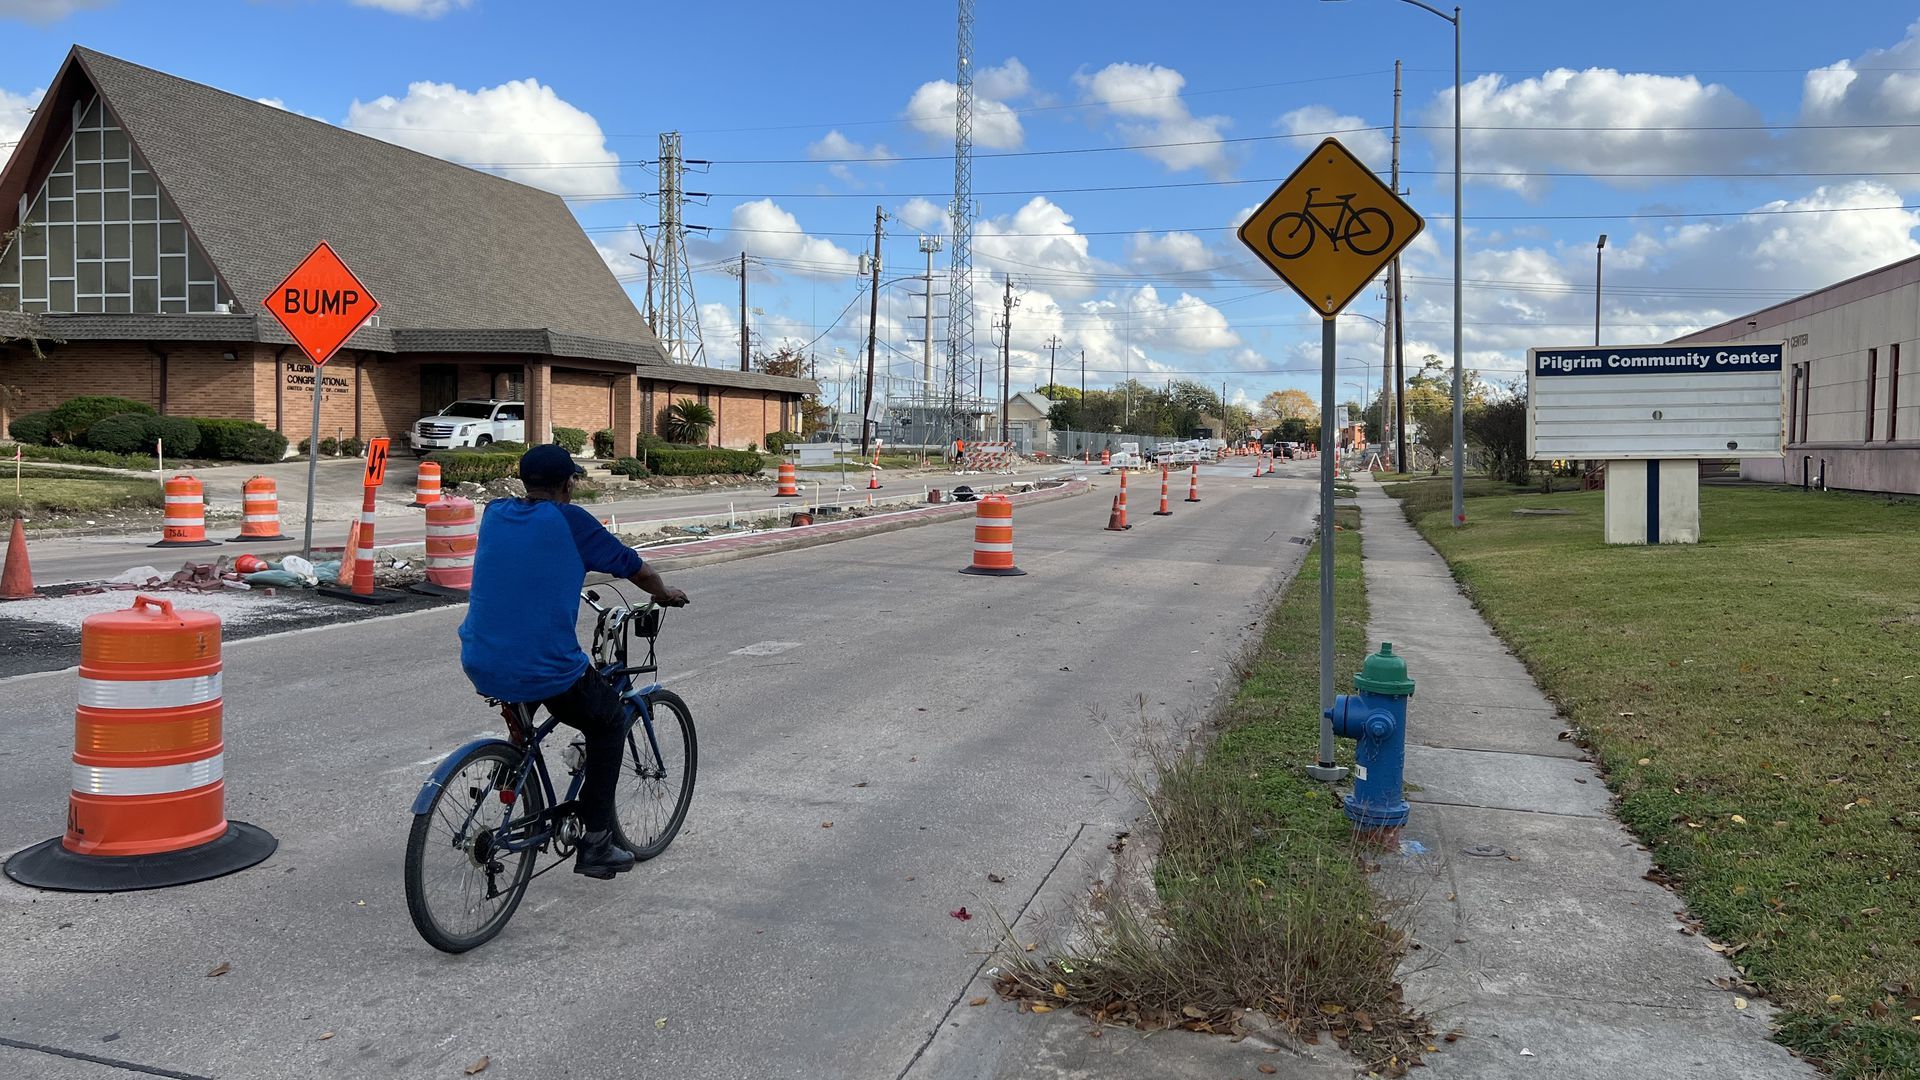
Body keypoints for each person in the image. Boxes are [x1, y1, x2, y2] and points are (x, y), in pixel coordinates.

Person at [458, 444, 689, 879]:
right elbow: (634, 569)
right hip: (544, 665)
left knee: (530, 721)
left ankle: (515, 779)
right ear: (569, 483)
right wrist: (662, 594)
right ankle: (597, 842)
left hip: (480, 656)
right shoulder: (569, 520)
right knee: (608, 721)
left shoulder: (494, 513)